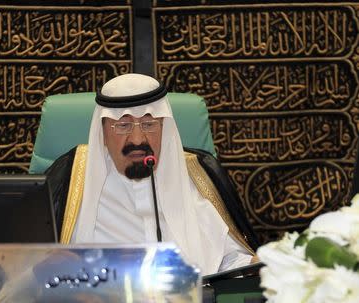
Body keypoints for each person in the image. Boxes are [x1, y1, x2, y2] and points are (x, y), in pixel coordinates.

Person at [46, 73, 259, 275]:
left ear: (164, 127)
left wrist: (257, 265)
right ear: (102, 132)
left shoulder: (198, 177)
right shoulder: (71, 180)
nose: (138, 139)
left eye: (149, 124)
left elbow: (229, 261)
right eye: (123, 125)